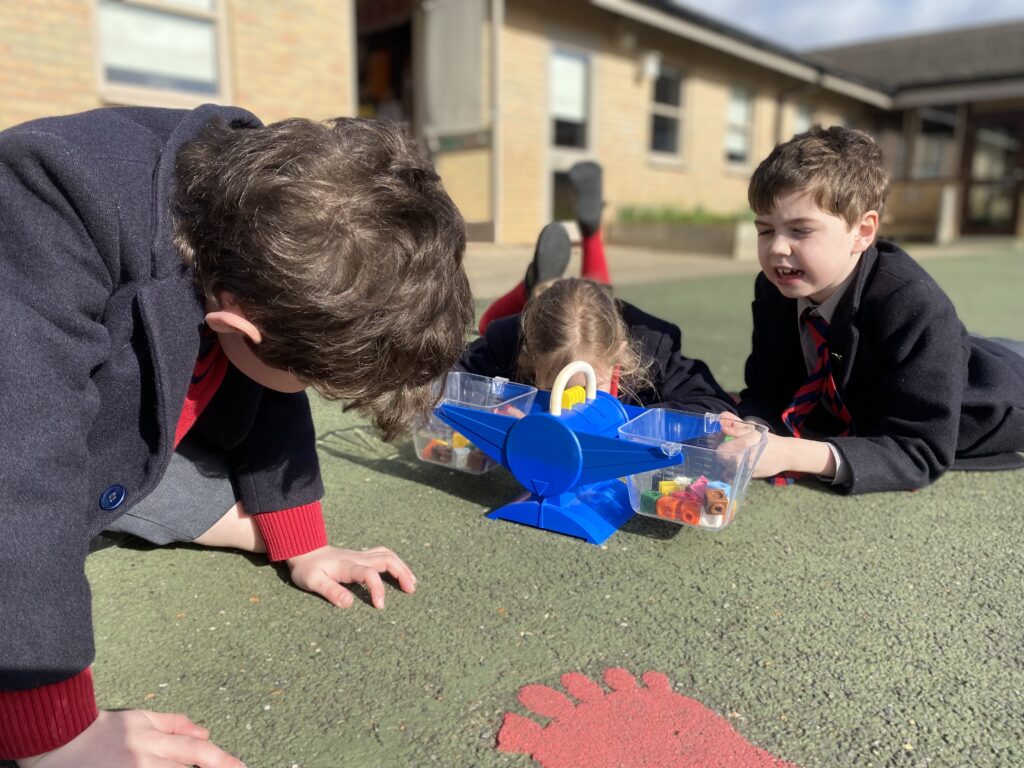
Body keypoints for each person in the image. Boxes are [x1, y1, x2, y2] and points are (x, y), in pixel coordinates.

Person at [0, 106, 473, 766]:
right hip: (19, 424)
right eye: (311, 380)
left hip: (113, 436)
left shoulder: (263, 221)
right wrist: (54, 728)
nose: (307, 393)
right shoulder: (52, 197)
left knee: (155, 480)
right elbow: (21, 462)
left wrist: (306, 544)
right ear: (238, 325)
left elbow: (268, 388)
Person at [730, 125, 1024, 493]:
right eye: (765, 230)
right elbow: (766, 386)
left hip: (997, 392)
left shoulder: (914, 304)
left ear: (863, 232)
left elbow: (918, 449)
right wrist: (753, 425)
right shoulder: (776, 288)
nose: (776, 248)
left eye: (800, 231)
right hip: (955, 353)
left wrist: (793, 453)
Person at [462, 161, 735, 414]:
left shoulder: (655, 347)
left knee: (594, 296)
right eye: (554, 390)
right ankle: (539, 285)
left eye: (591, 389)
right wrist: (495, 410)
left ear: (620, 356)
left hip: (610, 317)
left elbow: (716, 405)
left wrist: (636, 425)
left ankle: (545, 278)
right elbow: (448, 377)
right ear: (530, 360)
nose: (572, 408)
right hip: (534, 324)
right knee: (488, 323)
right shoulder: (508, 339)